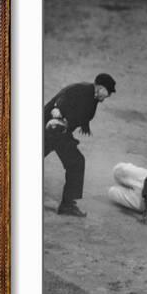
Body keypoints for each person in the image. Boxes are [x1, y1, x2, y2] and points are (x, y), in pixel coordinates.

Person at [44, 73, 116, 217]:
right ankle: (67, 205)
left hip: (59, 132)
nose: (107, 97)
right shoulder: (81, 90)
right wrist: (57, 117)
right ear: (101, 88)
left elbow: (78, 116)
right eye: (107, 93)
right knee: (76, 162)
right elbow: (59, 104)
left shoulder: (93, 96)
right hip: (50, 128)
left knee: (75, 162)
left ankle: (68, 205)